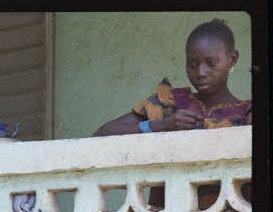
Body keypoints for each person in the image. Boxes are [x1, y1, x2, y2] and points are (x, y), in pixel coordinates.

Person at [94, 19, 250, 136]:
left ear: (232, 59)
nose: (200, 73)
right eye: (192, 64)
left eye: (211, 63)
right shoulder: (169, 103)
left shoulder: (247, 114)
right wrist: (162, 125)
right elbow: (103, 132)